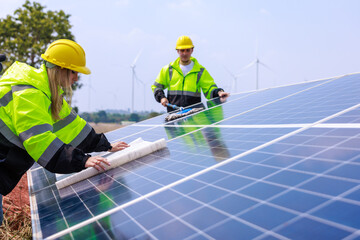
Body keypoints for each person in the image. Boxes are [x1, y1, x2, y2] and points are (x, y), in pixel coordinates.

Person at [0, 39, 129, 225]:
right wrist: (82, 160)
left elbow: (73, 127)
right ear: (60, 69)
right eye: (74, 72)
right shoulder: (29, 93)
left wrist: (105, 145)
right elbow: (40, 142)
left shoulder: (46, 91)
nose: (76, 78)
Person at [152, 35, 229, 112]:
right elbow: (156, 87)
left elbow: (209, 88)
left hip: (194, 119)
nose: (185, 53)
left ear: (192, 50)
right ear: (178, 51)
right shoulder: (168, 70)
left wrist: (219, 92)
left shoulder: (200, 71)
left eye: (187, 50)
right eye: (182, 50)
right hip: (174, 117)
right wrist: (162, 97)